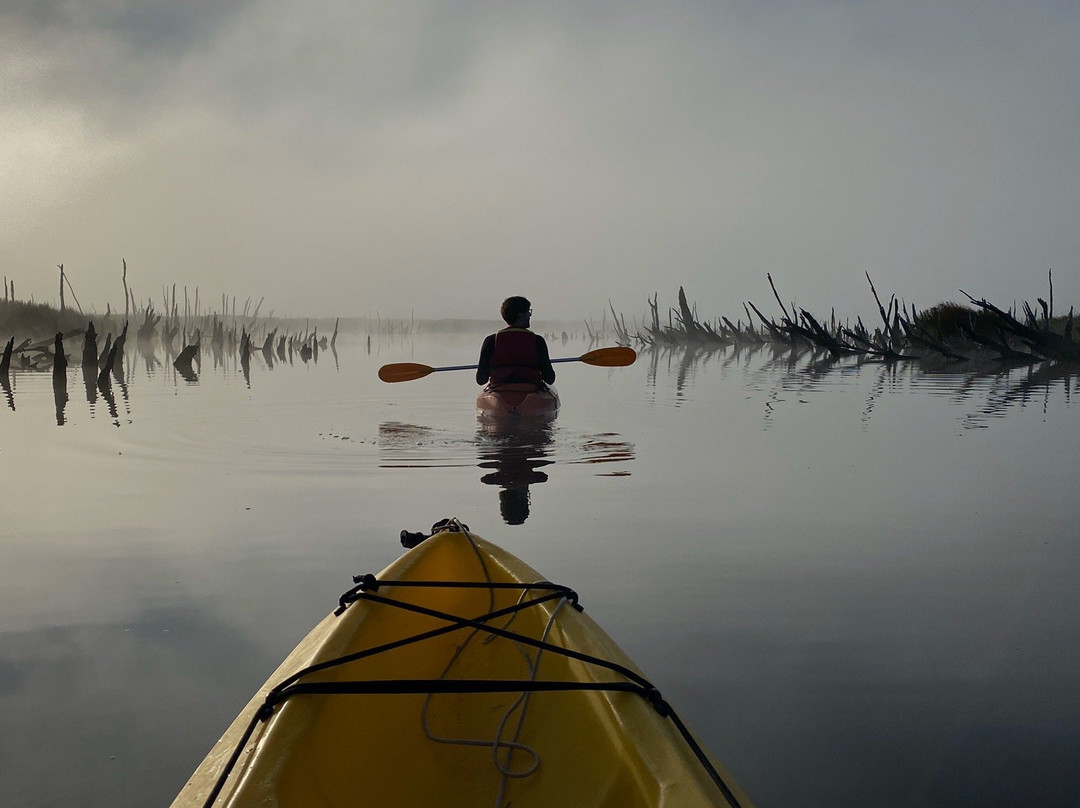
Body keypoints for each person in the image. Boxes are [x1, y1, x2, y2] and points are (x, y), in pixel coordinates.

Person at [476, 296, 556, 388]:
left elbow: (481, 379)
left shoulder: (491, 341)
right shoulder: (538, 341)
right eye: (528, 312)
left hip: (499, 390)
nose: (530, 315)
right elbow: (550, 378)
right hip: (531, 390)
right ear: (520, 316)